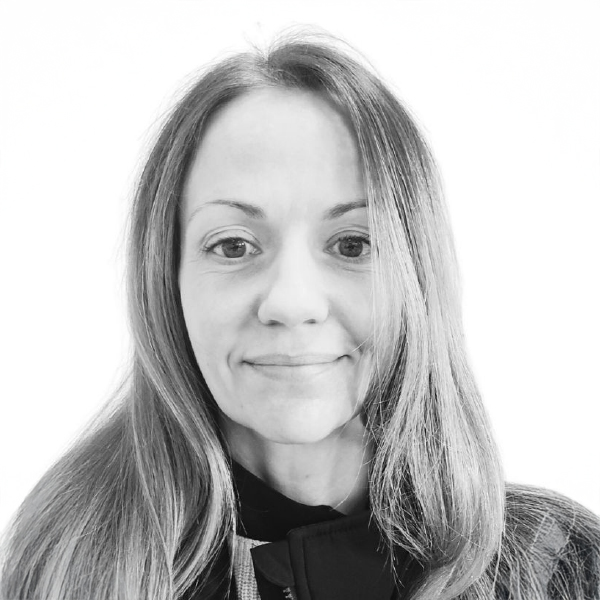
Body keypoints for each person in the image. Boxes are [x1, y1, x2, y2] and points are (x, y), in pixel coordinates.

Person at [1, 32, 599, 600]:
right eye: (233, 245)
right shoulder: (65, 568)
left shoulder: (557, 568)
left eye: (353, 244)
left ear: (418, 277)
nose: (291, 302)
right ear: (166, 281)